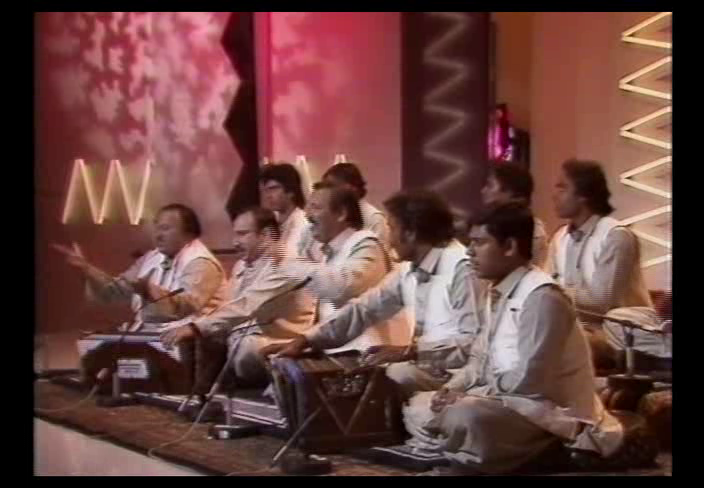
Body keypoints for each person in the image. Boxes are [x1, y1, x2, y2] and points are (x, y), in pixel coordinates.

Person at [403, 203, 623, 474]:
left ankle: (546, 449)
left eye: (479, 243)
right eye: (470, 243)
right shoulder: (495, 290)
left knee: (466, 414)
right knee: (420, 405)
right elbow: (479, 360)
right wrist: (450, 389)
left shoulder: (542, 297)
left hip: (547, 413)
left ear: (509, 246)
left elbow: (530, 382)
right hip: (505, 402)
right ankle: (476, 451)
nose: (469, 252)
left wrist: (469, 396)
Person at [262, 190, 482, 397]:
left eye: (392, 228)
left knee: (393, 374)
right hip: (424, 366)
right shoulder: (408, 269)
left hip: (460, 377)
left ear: (411, 233)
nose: (389, 240)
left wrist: (411, 352)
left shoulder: (462, 268)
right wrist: (306, 340)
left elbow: (473, 343)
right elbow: (365, 308)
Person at [160, 207, 314, 386]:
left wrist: (196, 328)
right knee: (195, 337)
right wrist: (195, 327)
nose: (235, 242)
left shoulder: (288, 263)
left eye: (242, 234)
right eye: (235, 234)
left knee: (243, 346)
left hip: (281, 341)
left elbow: (246, 306)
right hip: (241, 337)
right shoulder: (242, 265)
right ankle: (194, 395)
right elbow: (228, 308)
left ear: (265, 235)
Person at [546, 159, 668, 368]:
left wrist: (555, 292)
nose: (554, 195)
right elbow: (547, 289)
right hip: (572, 326)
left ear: (584, 195)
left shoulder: (615, 236)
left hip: (611, 332)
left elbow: (600, 301)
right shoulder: (560, 237)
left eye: (562, 187)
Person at [277, 181, 409, 353]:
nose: (307, 215)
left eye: (315, 207)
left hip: (366, 353)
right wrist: (306, 340)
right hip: (337, 349)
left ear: (341, 213)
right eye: (308, 207)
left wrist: (289, 263)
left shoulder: (366, 244)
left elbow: (343, 289)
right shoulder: (329, 253)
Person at [53, 204, 226, 331]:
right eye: (156, 228)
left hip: (192, 343)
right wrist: (85, 268)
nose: (158, 235)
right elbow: (113, 292)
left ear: (189, 234)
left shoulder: (201, 263)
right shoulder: (151, 259)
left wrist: (150, 291)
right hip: (150, 337)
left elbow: (184, 308)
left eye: (165, 228)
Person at [480, 162, 548, 267]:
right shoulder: (490, 226)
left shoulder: (534, 232)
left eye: (490, 185)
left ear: (511, 191)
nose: (483, 191)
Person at [259, 163, 308, 258]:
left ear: (291, 191)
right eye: (266, 190)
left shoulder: (303, 222)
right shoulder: (270, 222)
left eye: (274, 189)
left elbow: (291, 258)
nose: (268, 195)